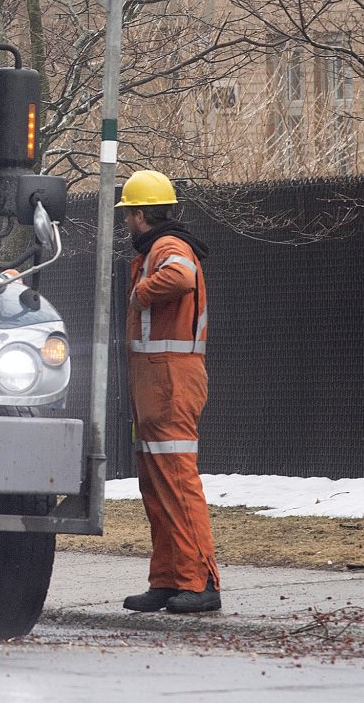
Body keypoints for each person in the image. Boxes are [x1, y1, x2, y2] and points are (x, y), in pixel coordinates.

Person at [117, 169, 222, 615]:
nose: (126, 221)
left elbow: (181, 275)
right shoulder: (158, 247)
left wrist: (141, 293)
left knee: (176, 482)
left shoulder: (167, 247)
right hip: (156, 383)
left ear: (141, 215)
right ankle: (168, 579)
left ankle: (201, 582)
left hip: (170, 381)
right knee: (157, 486)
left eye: (128, 214)